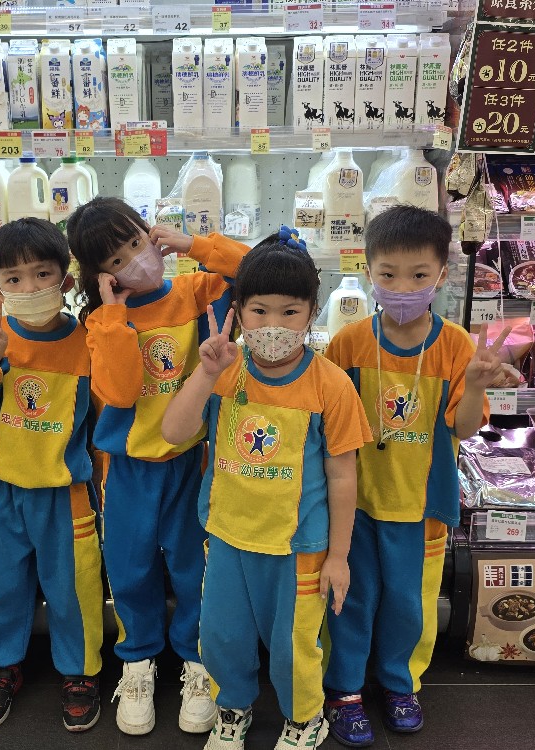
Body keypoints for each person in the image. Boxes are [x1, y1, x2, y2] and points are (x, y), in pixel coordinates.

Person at [161, 228, 369, 750]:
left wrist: (338, 557)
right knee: (222, 635)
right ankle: (232, 706)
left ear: (312, 313)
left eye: (289, 312)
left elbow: (343, 475)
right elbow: (174, 432)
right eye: (259, 310)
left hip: (298, 546)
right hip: (228, 535)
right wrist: (205, 374)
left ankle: (305, 718)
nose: (273, 324)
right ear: (237, 311)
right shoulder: (224, 370)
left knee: (294, 644)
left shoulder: (331, 385)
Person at [66, 197, 250, 736]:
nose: (135, 260)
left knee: (195, 565)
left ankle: (197, 658)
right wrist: (114, 317)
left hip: (191, 461)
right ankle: (138, 660)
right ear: (100, 275)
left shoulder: (195, 291)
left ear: (151, 233)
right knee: (130, 567)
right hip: (127, 469)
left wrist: (194, 244)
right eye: (116, 259)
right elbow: (121, 392)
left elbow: (254, 270)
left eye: (135, 242)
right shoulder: (101, 322)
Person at [321, 206, 498, 743]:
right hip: (355, 506)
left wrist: (475, 385)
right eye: (389, 274)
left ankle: (400, 683)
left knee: (408, 604)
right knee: (349, 599)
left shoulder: (456, 346)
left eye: (419, 275)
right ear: (368, 271)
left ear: (441, 274)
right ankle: (344, 688)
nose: (403, 288)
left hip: (422, 507)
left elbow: (463, 428)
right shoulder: (350, 342)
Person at [0, 218, 105, 733]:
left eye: (42, 274)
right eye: (13, 278)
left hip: (66, 492)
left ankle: (80, 672)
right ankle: (0, 667)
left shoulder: (87, 342)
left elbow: (103, 413)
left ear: (65, 279)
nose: (29, 287)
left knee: (74, 587)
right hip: (2, 488)